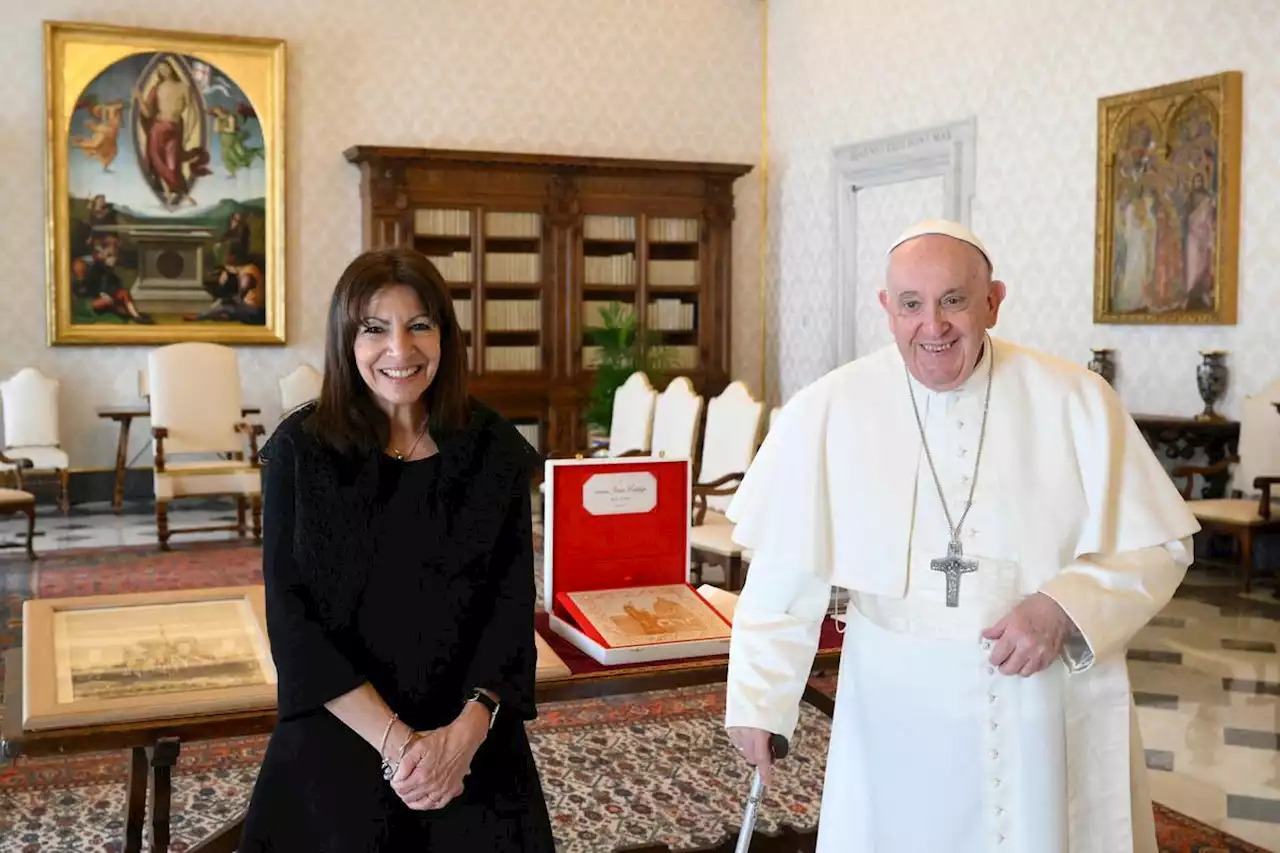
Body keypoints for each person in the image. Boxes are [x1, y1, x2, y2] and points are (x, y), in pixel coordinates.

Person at [723, 219, 1200, 853]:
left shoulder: (1076, 400)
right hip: (893, 708)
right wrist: (760, 700)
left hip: (1037, 700)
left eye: (954, 300)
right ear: (886, 310)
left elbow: (1158, 544)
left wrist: (1064, 607)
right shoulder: (831, 408)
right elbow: (786, 571)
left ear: (992, 302)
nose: (934, 326)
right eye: (912, 305)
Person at [239, 247, 555, 851]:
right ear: (345, 340)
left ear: (445, 335)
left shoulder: (496, 450)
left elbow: (510, 606)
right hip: (341, 725)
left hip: (469, 736)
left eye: (419, 326)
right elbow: (291, 618)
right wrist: (402, 746)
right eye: (375, 329)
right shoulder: (299, 452)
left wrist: (462, 735)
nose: (400, 351)